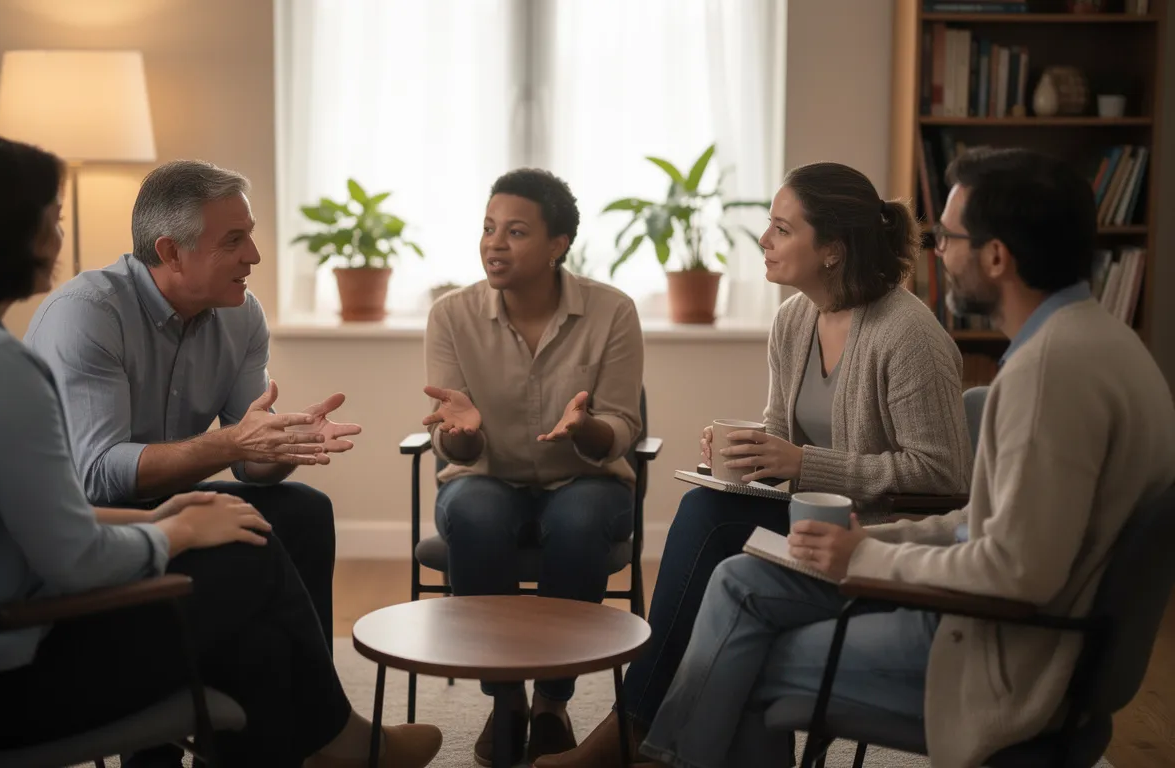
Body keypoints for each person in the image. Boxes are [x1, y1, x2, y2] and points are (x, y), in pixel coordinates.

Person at [0, 133, 441, 768]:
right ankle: (339, 742)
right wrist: (174, 532)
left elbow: (10, 517)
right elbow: (76, 553)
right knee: (247, 561)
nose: (58, 239)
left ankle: (318, 741)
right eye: (51, 221)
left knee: (268, 550)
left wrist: (198, 494)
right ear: (4, 235)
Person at [626, 147, 1175, 768]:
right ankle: (651, 745)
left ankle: (656, 749)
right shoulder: (1101, 344)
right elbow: (984, 528)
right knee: (737, 578)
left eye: (950, 238)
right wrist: (863, 542)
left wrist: (868, 554)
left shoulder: (1046, 372)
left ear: (997, 257)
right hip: (1005, 615)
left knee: (744, 652)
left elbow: (1015, 569)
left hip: (1001, 650)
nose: (936, 252)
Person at [538, 161, 974, 767]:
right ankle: (637, 727)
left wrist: (804, 463)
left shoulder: (908, 335)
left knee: (709, 529)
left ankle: (635, 728)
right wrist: (744, 449)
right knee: (706, 506)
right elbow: (785, 435)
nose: (764, 240)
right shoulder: (794, 318)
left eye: (782, 229)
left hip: (872, 541)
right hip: (807, 519)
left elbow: (943, 475)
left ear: (833, 250)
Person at [422, 168, 644, 764]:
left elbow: (623, 426)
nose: (494, 244)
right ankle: (505, 700)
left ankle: (551, 701)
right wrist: (462, 434)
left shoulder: (613, 311)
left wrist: (587, 427)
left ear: (557, 244)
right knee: (475, 513)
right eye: (488, 228)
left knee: (579, 519)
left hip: (587, 479)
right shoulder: (451, 315)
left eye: (515, 231)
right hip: (485, 476)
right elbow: (452, 443)